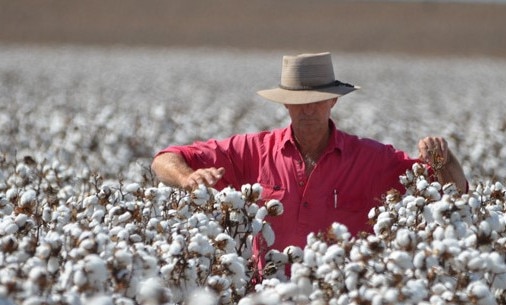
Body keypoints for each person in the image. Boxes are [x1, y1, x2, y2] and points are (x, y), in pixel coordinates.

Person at [151, 52, 468, 263]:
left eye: (316, 100)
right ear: (285, 105)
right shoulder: (253, 151)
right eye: (298, 101)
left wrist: (445, 160)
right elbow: (166, 158)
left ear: (333, 101)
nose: (308, 110)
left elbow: (452, 196)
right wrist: (186, 177)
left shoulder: (372, 159)